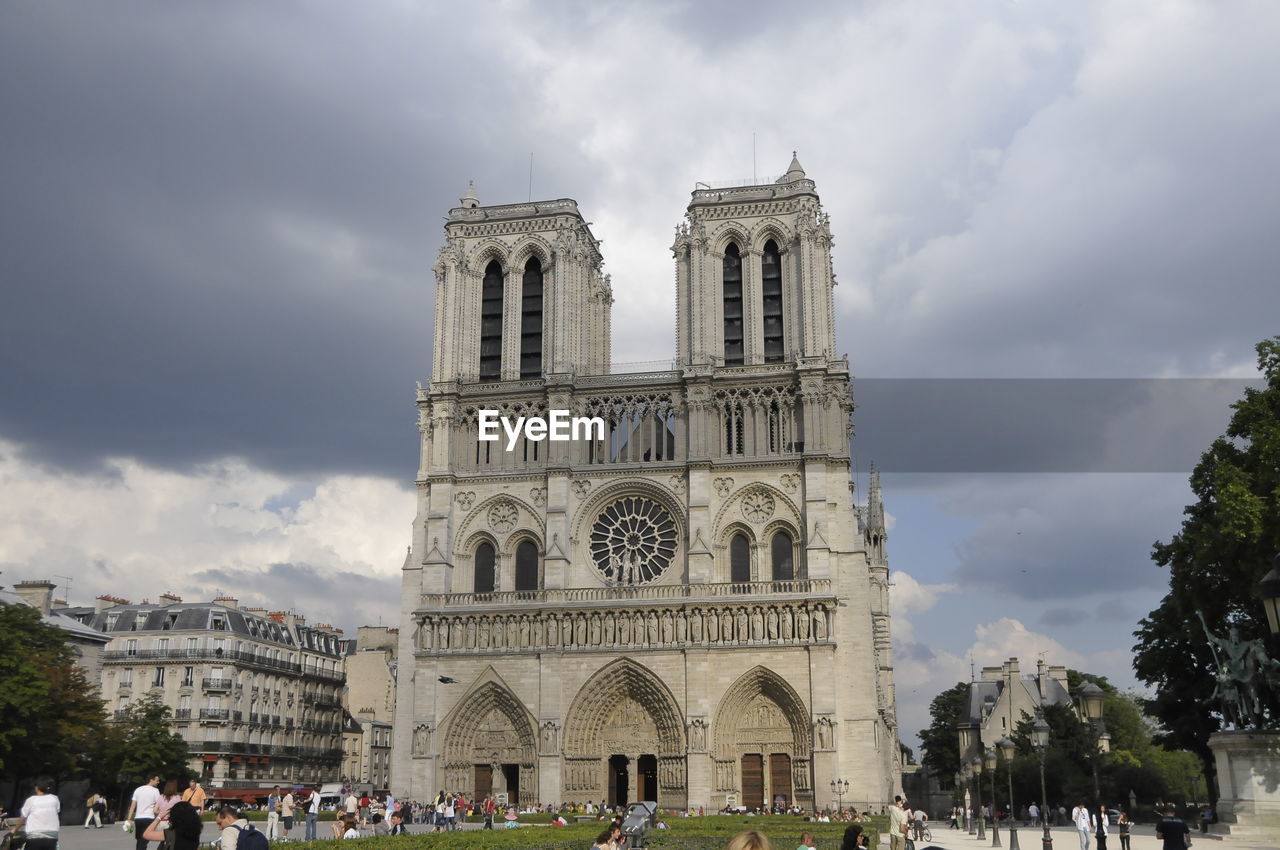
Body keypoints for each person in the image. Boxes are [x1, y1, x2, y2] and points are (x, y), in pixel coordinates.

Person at [17, 776, 60, 850]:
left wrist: (14, 830)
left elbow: (23, 818)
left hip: (34, 835)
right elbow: (56, 811)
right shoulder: (55, 799)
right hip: (52, 836)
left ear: (37, 787)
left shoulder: (31, 800)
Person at [127, 774, 162, 850]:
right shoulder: (156, 791)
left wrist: (129, 818)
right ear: (151, 780)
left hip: (138, 818)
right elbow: (158, 805)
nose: (158, 782)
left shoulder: (138, 789)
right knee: (144, 840)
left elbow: (133, 805)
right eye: (157, 780)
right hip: (149, 818)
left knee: (140, 839)